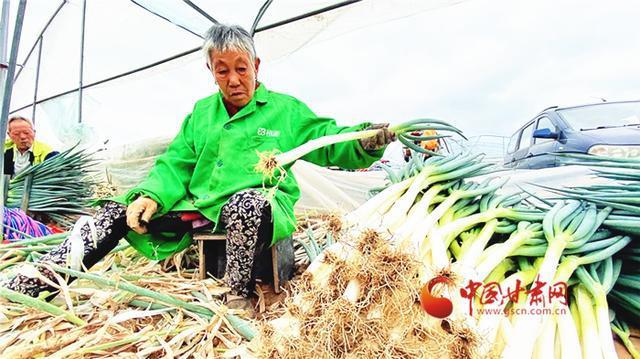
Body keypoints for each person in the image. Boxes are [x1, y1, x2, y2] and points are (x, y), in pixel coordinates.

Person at [3, 24, 395, 313]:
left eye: (241, 69)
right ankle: (37, 281)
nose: (234, 79)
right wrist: (151, 196)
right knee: (112, 214)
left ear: (256, 65)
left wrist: (362, 140)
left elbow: (327, 140)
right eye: (222, 71)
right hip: (200, 209)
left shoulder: (286, 110)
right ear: (211, 71)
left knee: (246, 203)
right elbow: (175, 163)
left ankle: (236, 294)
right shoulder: (200, 114)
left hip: (259, 210)